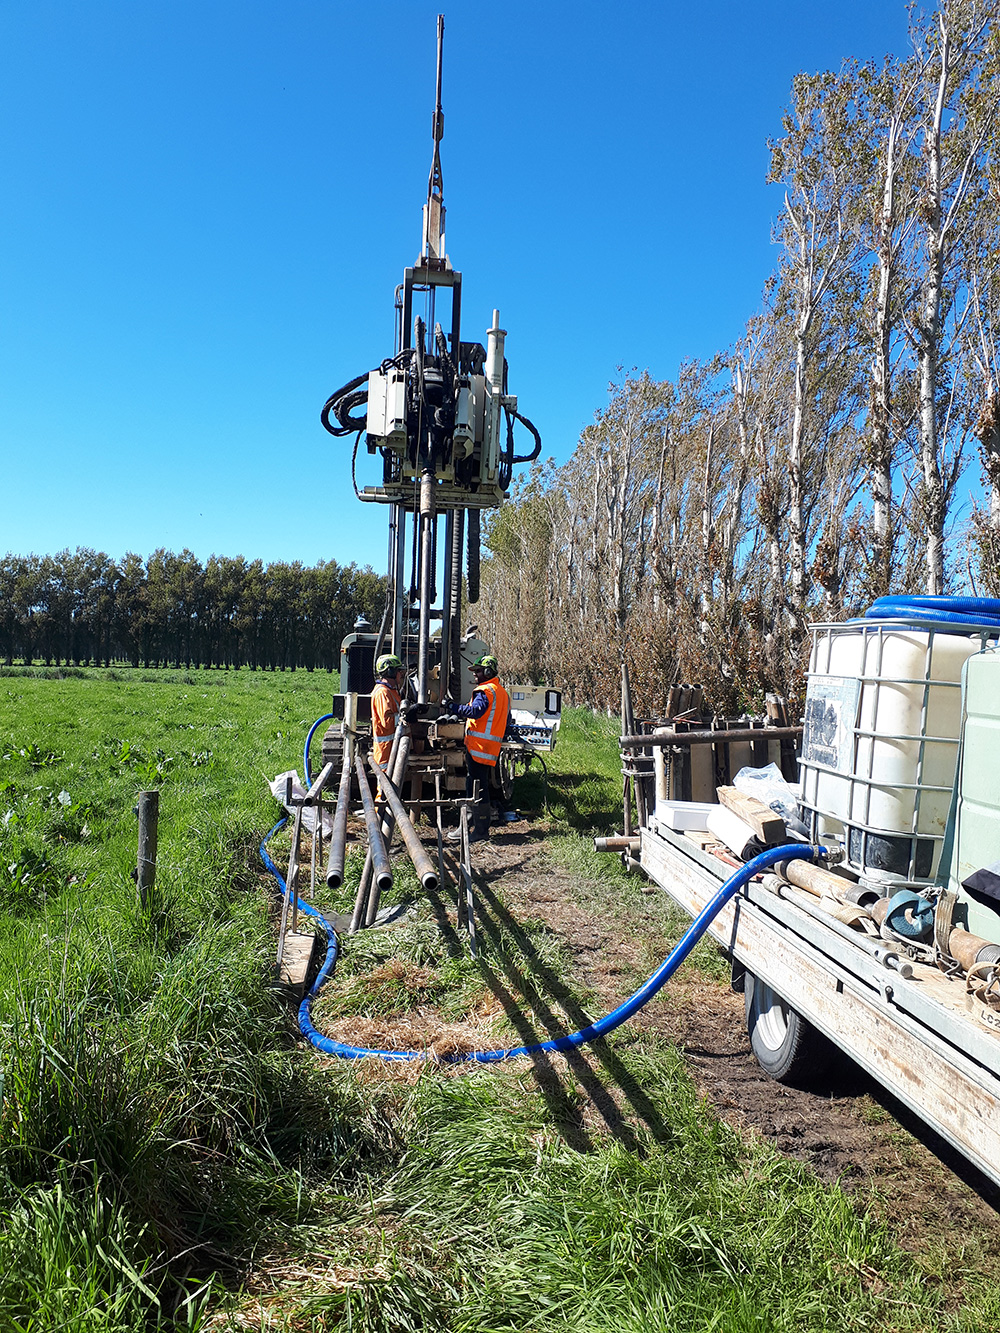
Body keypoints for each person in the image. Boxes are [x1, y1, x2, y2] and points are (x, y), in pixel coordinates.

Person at [445, 653, 509, 843]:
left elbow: (476, 712)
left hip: (478, 747)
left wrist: (452, 707)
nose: (475, 675)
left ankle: (480, 830)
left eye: (478, 671)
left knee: (477, 788)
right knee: (476, 785)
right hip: (490, 747)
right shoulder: (501, 692)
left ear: (488, 672)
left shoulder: (484, 691)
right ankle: (469, 824)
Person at [371, 653, 405, 776]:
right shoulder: (382, 692)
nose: (400, 675)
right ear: (390, 672)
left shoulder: (391, 691)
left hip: (392, 749)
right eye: (398, 671)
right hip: (385, 750)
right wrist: (405, 717)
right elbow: (387, 722)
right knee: (385, 788)